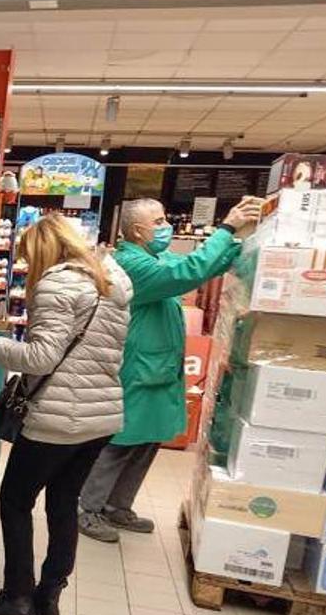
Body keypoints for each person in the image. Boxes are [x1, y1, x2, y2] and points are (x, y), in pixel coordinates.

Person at [0, 214, 133, 615]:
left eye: (27, 258)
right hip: (101, 416)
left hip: (58, 419)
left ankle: (17, 598)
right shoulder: (112, 284)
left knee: (16, 501)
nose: (25, 267)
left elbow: (42, 358)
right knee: (63, 505)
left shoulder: (58, 283)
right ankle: (49, 598)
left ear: (44, 249)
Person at [78, 196, 263, 543]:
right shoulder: (131, 265)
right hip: (138, 369)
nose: (166, 227)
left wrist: (244, 244)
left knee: (147, 442)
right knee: (120, 443)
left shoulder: (156, 256)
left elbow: (204, 266)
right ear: (137, 231)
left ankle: (118, 506)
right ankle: (87, 509)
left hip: (159, 368)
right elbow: (188, 272)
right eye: (159, 221)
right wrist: (225, 228)